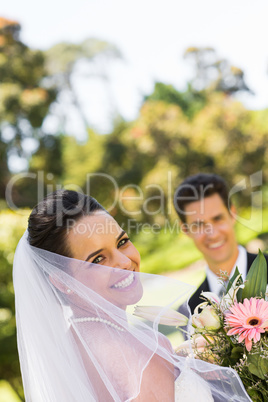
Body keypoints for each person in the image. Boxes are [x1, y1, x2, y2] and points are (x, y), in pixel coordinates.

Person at [13, 189, 251, 401]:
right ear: (61, 281)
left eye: (122, 242)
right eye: (97, 259)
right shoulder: (145, 352)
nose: (125, 262)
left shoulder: (63, 354)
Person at [173, 173, 268, 314]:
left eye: (217, 219)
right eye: (199, 225)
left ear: (233, 214)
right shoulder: (190, 312)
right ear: (185, 229)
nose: (213, 234)